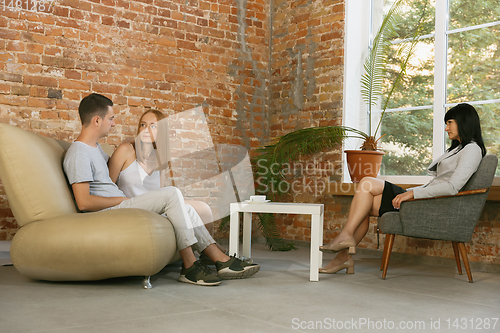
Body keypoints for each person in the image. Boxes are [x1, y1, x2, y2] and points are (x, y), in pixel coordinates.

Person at [63, 93, 260, 286]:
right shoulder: (78, 153)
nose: (113, 123)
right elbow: (84, 202)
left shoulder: (95, 148)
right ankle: (190, 266)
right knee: (172, 194)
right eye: (111, 118)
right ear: (97, 120)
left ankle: (220, 260)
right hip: (110, 212)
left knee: (188, 209)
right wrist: (124, 201)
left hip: (121, 206)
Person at [319, 103, 487, 274]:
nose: (446, 128)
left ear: (464, 121)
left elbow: (452, 187)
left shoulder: (472, 149)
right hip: (422, 198)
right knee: (365, 200)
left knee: (366, 183)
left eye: (450, 122)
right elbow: (438, 182)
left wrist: (413, 193)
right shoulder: (459, 148)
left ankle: (344, 245)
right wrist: (413, 191)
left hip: (428, 203)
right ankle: (343, 256)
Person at [108, 109, 230, 262]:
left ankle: (210, 253)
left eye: (153, 126)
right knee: (181, 201)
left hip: (155, 204)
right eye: (143, 125)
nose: (146, 130)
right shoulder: (126, 150)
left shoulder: (160, 158)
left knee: (202, 209)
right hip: (131, 204)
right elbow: (107, 186)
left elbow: (159, 192)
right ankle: (219, 252)